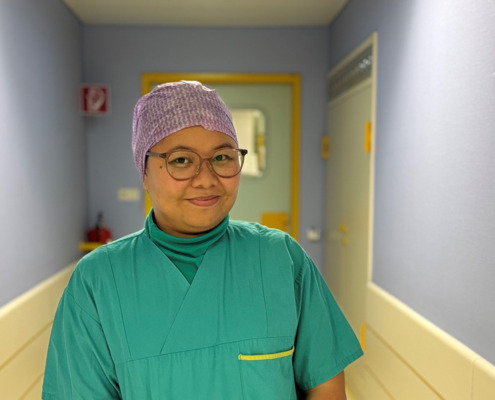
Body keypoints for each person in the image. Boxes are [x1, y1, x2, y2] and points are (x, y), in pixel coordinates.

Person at [42, 81, 363, 399]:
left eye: (222, 157)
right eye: (181, 160)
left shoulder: (282, 259)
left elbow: (325, 385)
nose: (207, 179)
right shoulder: (98, 281)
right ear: (144, 171)